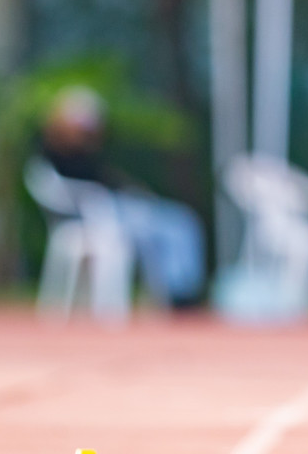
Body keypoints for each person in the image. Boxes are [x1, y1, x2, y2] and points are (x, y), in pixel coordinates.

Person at [39, 85, 206, 309]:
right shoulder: (54, 153)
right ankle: (179, 296)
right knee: (170, 228)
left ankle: (182, 289)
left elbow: (111, 180)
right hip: (102, 215)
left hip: (119, 207)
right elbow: (88, 189)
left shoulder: (94, 150)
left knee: (181, 220)